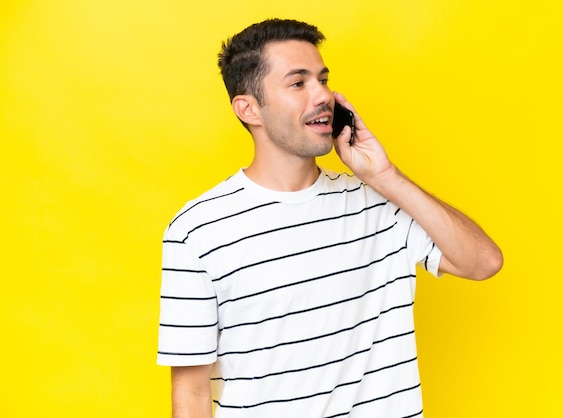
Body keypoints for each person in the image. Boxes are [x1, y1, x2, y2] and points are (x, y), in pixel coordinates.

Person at [157, 18, 503, 418]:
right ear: (248, 108)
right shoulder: (197, 230)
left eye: (323, 79)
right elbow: (192, 391)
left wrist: (385, 177)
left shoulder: (377, 203)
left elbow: (483, 262)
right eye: (298, 83)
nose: (323, 95)